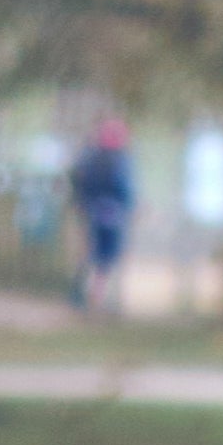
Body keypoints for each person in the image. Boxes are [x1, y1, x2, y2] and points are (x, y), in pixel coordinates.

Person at [69, 118, 135, 313]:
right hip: (113, 213)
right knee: (107, 258)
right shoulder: (121, 160)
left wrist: (81, 203)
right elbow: (125, 189)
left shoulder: (88, 156)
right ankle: (99, 297)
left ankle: (83, 295)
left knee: (90, 253)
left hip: (91, 211)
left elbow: (77, 181)